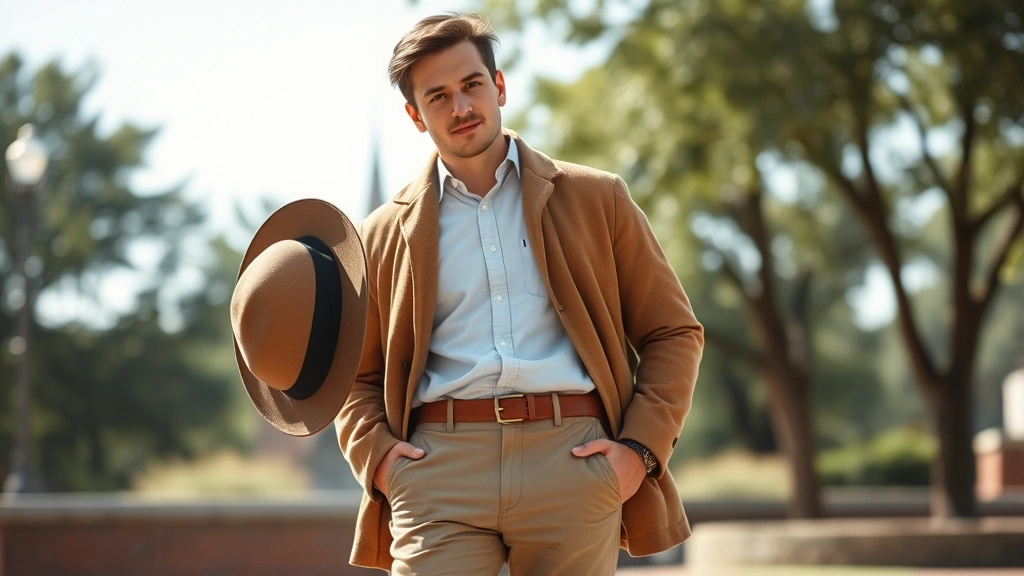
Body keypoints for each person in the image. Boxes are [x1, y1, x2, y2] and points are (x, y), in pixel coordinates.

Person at [335, 12, 704, 575]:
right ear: (415, 115)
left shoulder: (596, 199)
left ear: (499, 85)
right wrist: (381, 461)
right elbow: (352, 376)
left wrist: (638, 452)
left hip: (573, 460)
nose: (461, 108)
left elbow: (673, 331)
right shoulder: (382, 235)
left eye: (472, 85)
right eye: (438, 97)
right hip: (439, 470)